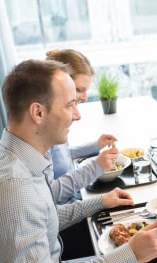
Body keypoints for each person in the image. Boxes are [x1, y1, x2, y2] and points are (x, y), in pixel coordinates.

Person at [0, 59, 157, 263]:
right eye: (70, 105)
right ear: (38, 112)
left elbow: (46, 216)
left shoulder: (20, 159)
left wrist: (99, 202)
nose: (77, 115)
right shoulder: (14, 188)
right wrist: (130, 255)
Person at [45, 49, 117, 199]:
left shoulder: (56, 127)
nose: (84, 97)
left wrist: (96, 145)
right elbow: (50, 194)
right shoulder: (48, 127)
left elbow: (61, 156)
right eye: (79, 90)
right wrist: (96, 167)